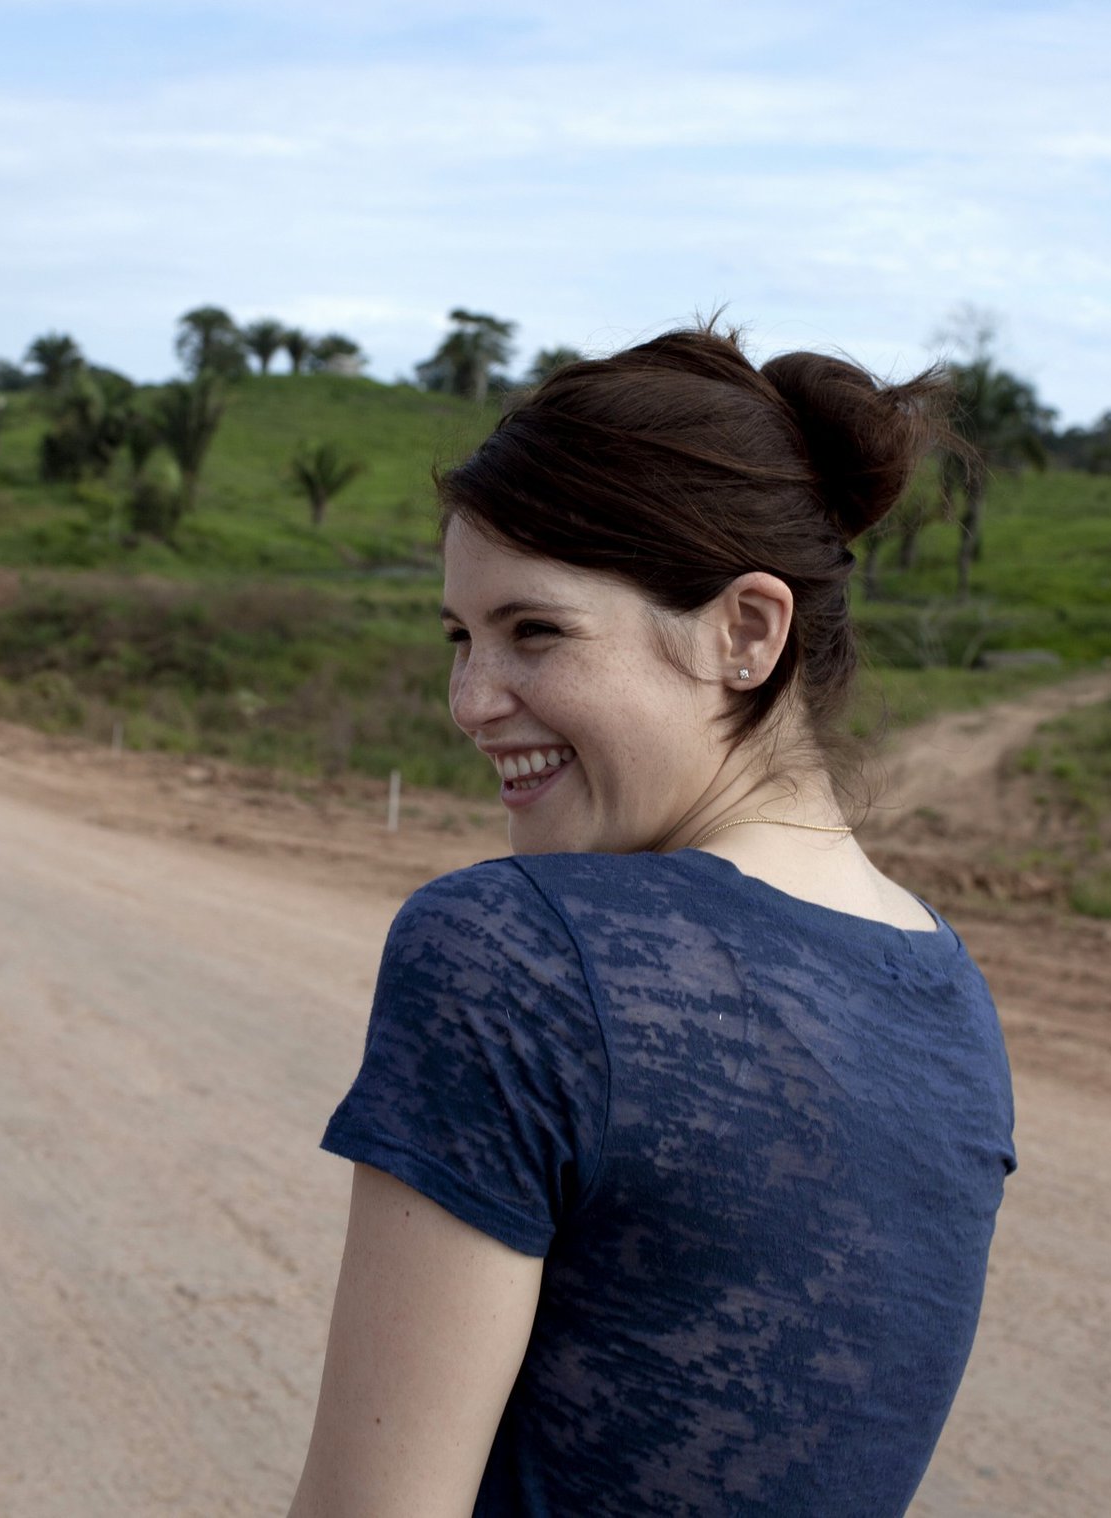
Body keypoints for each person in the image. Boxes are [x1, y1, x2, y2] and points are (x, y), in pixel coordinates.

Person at [288, 327, 1016, 1518]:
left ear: (746, 632)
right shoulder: (946, 997)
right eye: (458, 638)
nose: (469, 702)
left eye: (536, 630)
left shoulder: (517, 951)